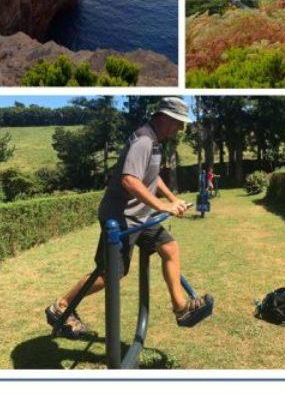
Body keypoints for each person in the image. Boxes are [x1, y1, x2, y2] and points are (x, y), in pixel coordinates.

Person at [45, 97, 214, 338]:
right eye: (178, 123)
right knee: (108, 275)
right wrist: (163, 207)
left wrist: (171, 198)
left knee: (170, 248)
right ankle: (60, 305)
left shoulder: (155, 141)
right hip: (120, 218)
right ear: (165, 118)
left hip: (141, 217)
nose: (180, 129)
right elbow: (129, 180)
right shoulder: (144, 141)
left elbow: (151, 176)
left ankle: (181, 308)